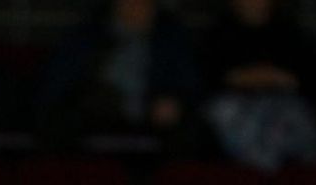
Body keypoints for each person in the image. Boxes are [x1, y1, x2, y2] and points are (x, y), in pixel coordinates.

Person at [34, 0, 199, 148]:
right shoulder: (91, 31)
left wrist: (175, 100)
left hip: (150, 113)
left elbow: (189, 81)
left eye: (143, 3)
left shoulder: (169, 34)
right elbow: (60, 80)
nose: (136, 7)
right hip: (97, 113)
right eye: (129, 3)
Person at [203, 0, 316, 170]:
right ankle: (257, 175)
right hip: (237, 107)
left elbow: (314, 77)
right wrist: (246, 79)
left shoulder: (291, 31)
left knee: (295, 119)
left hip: (283, 103)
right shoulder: (218, 33)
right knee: (223, 112)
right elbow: (210, 77)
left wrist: (278, 79)